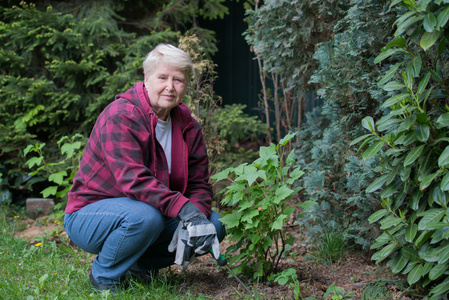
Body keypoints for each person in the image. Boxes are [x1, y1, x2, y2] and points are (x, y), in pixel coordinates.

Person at [64, 44, 225, 294]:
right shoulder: (122, 115)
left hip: (150, 212)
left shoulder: (189, 126)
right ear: (146, 78)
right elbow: (134, 181)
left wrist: (196, 216)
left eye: (178, 80)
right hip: (90, 215)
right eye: (163, 77)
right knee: (144, 216)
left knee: (213, 225)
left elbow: (198, 184)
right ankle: (105, 276)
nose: (170, 87)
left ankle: (138, 267)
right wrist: (183, 209)